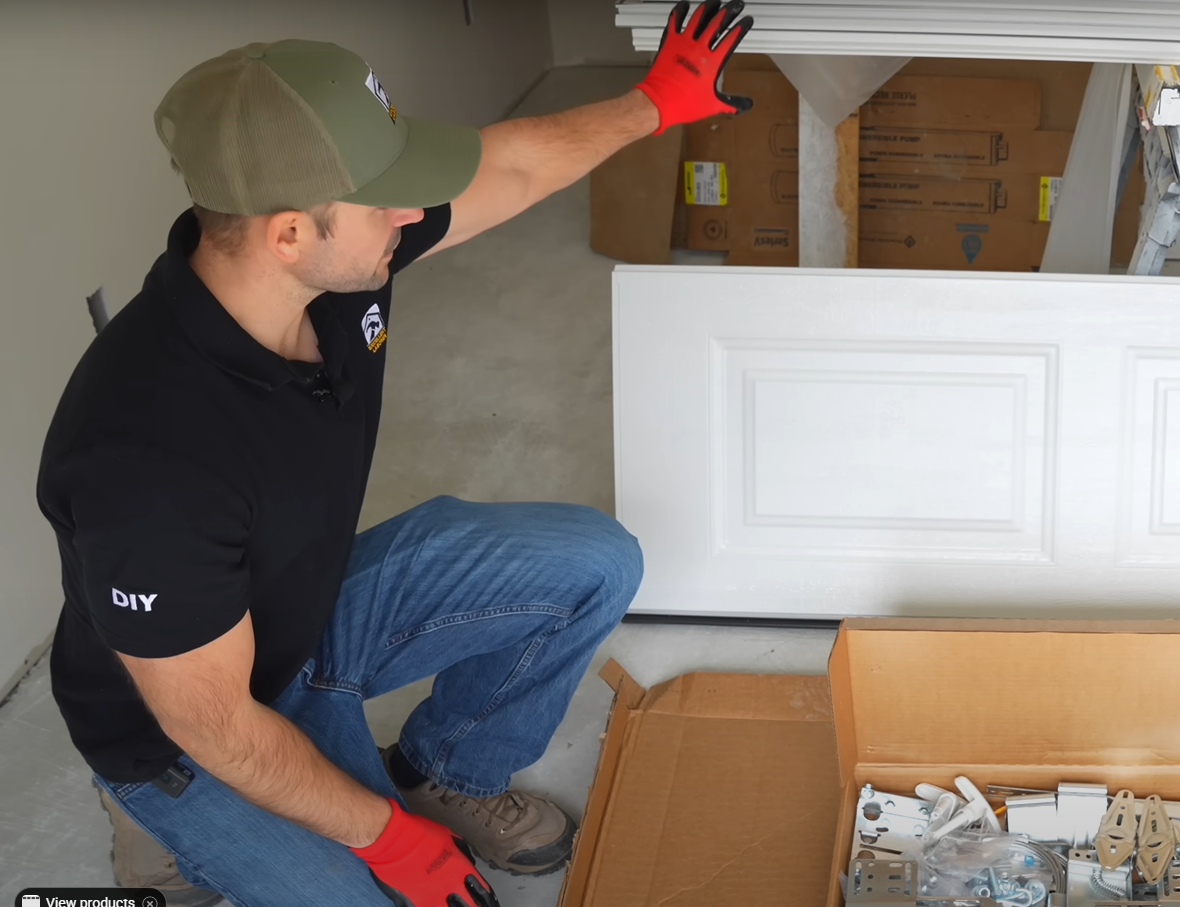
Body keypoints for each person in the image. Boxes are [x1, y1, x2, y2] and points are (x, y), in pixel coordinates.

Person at [35, 3, 754, 905]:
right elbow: (218, 725)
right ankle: (159, 822)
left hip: (304, 617)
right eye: (386, 199)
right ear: (289, 231)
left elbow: (514, 165)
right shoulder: (149, 462)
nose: (413, 213)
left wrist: (654, 101)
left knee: (592, 562)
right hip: (184, 731)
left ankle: (438, 770)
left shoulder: (327, 270)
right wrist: (393, 847)